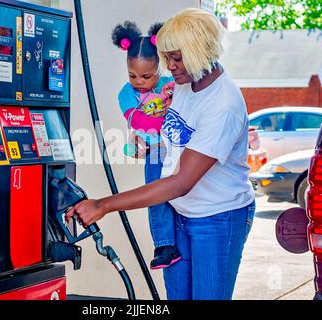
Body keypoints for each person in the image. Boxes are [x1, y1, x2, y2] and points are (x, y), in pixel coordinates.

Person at [67, 8, 255, 300]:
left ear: (200, 52)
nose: (169, 66)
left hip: (217, 217)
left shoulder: (223, 104)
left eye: (176, 58)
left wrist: (103, 205)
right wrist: (152, 144)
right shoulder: (183, 85)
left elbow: (181, 181)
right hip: (180, 213)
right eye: (167, 57)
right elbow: (174, 136)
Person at [111, 21, 181, 270]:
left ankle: (180, 236)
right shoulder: (126, 94)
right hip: (154, 151)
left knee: (182, 194)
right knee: (155, 194)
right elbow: (139, 121)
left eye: (146, 76)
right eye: (132, 75)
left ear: (158, 68)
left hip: (178, 149)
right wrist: (164, 116)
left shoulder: (170, 84)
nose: (139, 81)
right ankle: (164, 245)